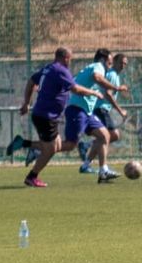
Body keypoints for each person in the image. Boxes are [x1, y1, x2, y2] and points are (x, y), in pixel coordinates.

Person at [7, 46, 103, 187]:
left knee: (59, 145)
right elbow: (76, 89)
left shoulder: (48, 68)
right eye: (70, 59)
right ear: (65, 58)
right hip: (46, 116)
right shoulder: (61, 70)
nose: (70, 61)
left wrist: (27, 102)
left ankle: (24, 144)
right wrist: (93, 92)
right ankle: (31, 177)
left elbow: (31, 81)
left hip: (46, 115)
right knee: (50, 150)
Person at [77, 49, 127, 177]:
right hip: (100, 108)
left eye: (125, 64)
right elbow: (108, 94)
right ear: (114, 61)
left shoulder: (114, 75)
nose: (123, 66)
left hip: (101, 108)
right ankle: (96, 161)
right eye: (121, 62)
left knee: (105, 137)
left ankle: (86, 164)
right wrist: (120, 110)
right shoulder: (112, 74)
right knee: (113, 135)